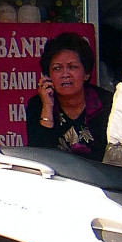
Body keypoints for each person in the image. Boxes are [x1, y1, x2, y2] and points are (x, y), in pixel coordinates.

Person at [26, 32, 111, 162]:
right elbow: (39, 155)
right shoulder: (37, 105)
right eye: (57, 68)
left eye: (72, 67)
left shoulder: (106, 103)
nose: (65, 74)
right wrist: (47, 107)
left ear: (86, 73)